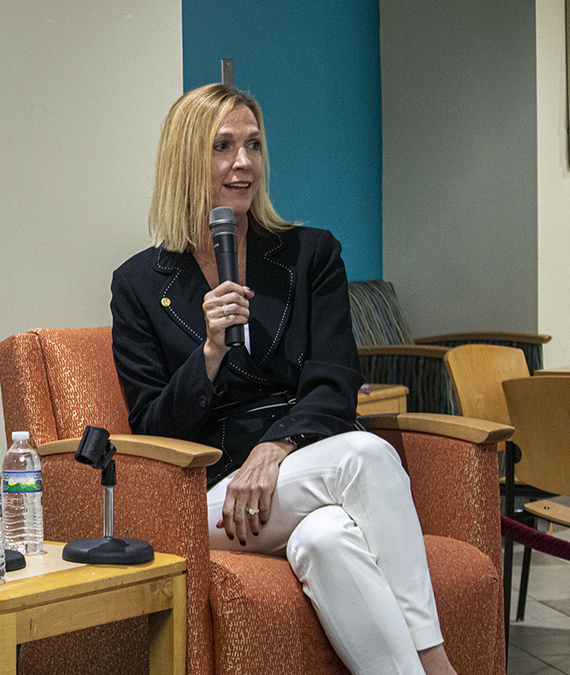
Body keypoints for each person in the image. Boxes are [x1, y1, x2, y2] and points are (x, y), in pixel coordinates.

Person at [110, 84, 457, 675]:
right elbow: (152, 427)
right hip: (216, 491)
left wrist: (276, 448)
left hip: (300, 462)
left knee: (326, 540)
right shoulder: (140, 282)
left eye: (253, 145)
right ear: (185, 160)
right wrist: (211, 352)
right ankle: (439, 660)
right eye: (222, 147)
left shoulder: (310, 254)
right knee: (367, 457)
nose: (243, 163)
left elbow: (335, 380)